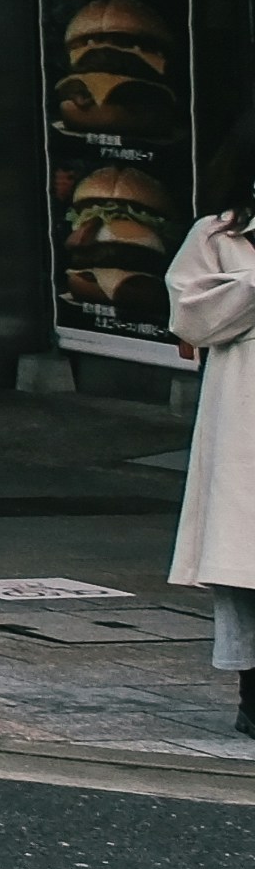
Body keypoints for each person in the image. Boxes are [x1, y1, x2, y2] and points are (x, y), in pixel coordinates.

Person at [166, 136, 254, 738]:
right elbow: (190, 317)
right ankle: (253, 693)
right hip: (244, 404)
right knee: (244, 556)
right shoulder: (219, 235)